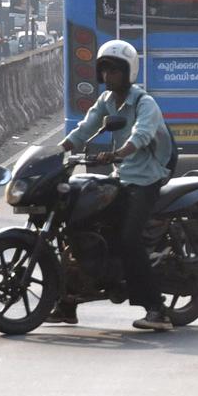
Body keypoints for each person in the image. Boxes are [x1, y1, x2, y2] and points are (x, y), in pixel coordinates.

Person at [48, 39, 174, 332]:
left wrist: (117, 153)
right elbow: (85, 129)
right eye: (104, 70)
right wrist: (57, 152)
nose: (109, 77)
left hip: (147, 178)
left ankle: (157, 309)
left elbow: (141, 136)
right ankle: (67, 302)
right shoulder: (106, 102)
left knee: (129, 238)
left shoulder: (145, 103)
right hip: (122, 176)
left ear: (128, 73)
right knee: (82, 225)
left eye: (115, 71)